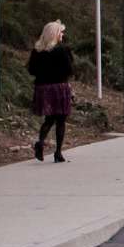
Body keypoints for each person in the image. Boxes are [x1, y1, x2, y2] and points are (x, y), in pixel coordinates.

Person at [28, 20, 74, 163]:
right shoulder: (63, 50)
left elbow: (31, 70)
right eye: (61, 32)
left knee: (49, 119)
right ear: (55, 34)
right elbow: (70, 70)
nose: (62, 34)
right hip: (59, 87)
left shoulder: (37, 51)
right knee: (61, 120)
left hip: (43, 88)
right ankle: (58, 152)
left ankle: (40, 142)